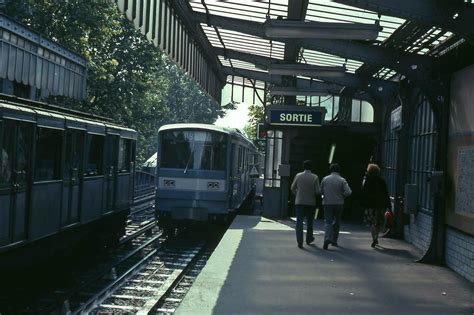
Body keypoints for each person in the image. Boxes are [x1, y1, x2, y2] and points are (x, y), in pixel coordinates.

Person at [320, 163, 352, 250]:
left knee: (328, 222)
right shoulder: (342, 180)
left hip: (327, 203)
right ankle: (334, 240)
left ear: (330, 170)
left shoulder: (325, 179)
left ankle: (327, 238)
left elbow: (321, 191)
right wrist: (342, 195)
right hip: (339, 203)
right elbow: (348, 192)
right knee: (337, 221)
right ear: (339, 170)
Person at [291, 160, 321, 249]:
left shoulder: (298, 176)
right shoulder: (315, 177)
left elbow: (292, 188)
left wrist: (297, 194)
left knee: (299, 222)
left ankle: (300, 241)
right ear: (312, 167)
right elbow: (317, 191)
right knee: (310, 222)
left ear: (303, 167)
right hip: (311, 203)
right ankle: (309, 239)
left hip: (299, 202)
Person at [360, 163, 391, 248]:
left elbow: (364, 194)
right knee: (378, 223)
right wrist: (389, 205)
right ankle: (376, 236)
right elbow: (386, 194)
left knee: (372, 223)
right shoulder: (381, 181)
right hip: (380, 205)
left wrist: (363, 204)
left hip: (370, 206)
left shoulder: (367, 181)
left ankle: (374, 238)